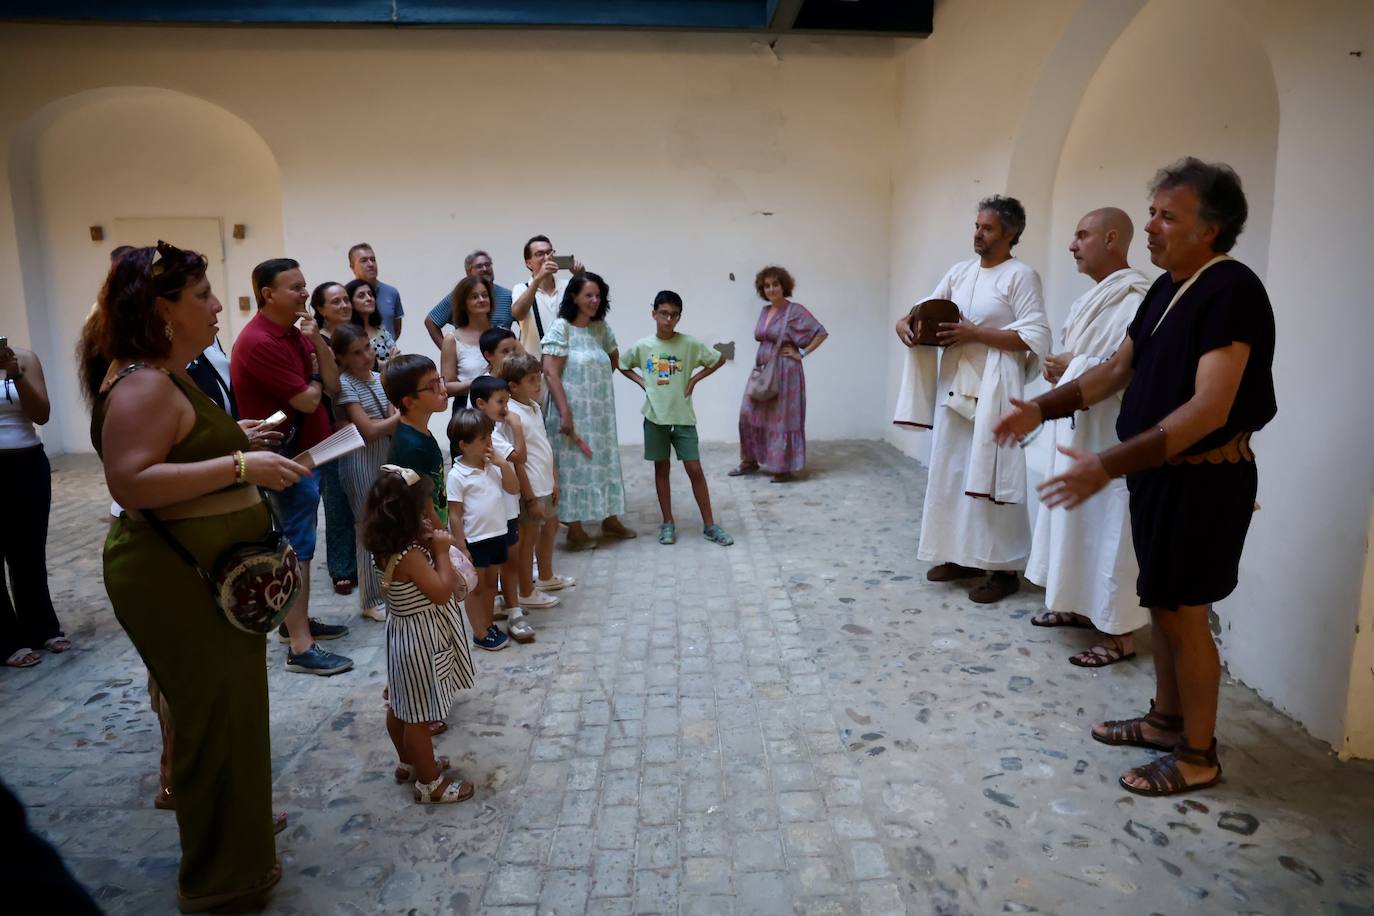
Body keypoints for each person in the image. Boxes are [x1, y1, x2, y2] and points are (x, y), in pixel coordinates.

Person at [994, 158, 1276, 797]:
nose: (1150, 226)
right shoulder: (1165, 288)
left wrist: (1105, 464)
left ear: (1212, 229)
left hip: (1205, 480)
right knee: (1163, 606)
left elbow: (1211, 407)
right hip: (1158, 477)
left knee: (1187, 615)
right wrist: (1039, 407)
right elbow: (1116, 372)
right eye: (1152, 212)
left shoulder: (1230, 290)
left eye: (1167, 216)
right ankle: (1164, 721)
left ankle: (1198, 755)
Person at [89, 241, 309, 911]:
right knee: (212, 717)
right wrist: (242, 467)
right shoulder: (143, 382)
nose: (218, 305)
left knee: (231, 712)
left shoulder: (169, 373)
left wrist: (234, 438)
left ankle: (238, 834)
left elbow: (180, 444)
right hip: (177, 577)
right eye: (203, 295)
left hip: (211, 574)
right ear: (163, 308)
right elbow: (130, 479)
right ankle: (220, 878)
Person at [893, 196, 1050, 603]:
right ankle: (960, 556)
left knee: (993, 475)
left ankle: (1003, 569)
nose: (978, 234)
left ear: (1011, 234)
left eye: (988, 228)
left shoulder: (1021, 276)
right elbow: (922, 310)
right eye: (977, 226)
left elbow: (1034, 335)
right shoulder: (960, 273)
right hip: (954, 386)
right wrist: (904, 323)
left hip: (996, 391)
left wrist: (976, 333)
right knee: (952, 471)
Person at [1026, 208, 1152, 667]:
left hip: (1110, 432)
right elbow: (1086, 356)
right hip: (1079, 426)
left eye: (1082, 236)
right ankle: (1078, 606)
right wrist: (1063, 366)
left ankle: (1119, 635)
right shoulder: (1095, 297)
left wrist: (1070, 366)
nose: (1072, 245)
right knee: (1075, 520)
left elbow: (1125, 369)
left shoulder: (1136, 297)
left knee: (1110, 529)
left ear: (1112, 239)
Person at [231, 257, 353, 676]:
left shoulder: (295, 333)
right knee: (297, 547)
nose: (305, 293)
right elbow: (309, 399)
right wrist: (317, 381)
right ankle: (300, 646)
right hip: (286, 459)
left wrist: (317, 342)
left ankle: (294, 623)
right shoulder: (261, 341)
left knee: (303, 541)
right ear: (268, 294)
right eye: (295, 287)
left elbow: (333, 384)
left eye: (305, 286)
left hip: (309, 453)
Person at [359, 465, 475, 804]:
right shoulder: (409, 556)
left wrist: (431, 530)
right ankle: (430, 783)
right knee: (420, 717)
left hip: (402, 636)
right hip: (421, 639)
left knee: (400, 706)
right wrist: (439, 551)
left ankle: (408, 762)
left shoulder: (384, 545)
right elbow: (441, 592)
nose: (430, 512)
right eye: (423, 506)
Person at [620, 290, 733, 546]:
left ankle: (709, 524)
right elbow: (622, 363)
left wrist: (694, 378)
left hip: (683, 417)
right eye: (663, 314)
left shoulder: (689, 345)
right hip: (655, 417)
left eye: (674, 315)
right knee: (662, 468)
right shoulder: (644, 346)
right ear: (654, 314)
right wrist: (642, 382)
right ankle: (667, 521)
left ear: (679, 317)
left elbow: (718, 359)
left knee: (695, 468)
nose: (668, 319)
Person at [541, 272, 634, 549]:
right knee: (574, 468)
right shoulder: (561, 329)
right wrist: (566, 412)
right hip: (570, 411)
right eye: (588, 295)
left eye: (598, 295)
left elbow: (612, 358)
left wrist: (596, 387)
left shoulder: (601, 328)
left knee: (604, 462)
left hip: (600, 413)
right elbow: (550, 372)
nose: (594, 301)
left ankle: (610, 518)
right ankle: (575, 528)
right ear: (573, 297)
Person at [0, 340, 66, 669]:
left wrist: (16, 375)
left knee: (28, 551)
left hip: (27, 464)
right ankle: (7, 639)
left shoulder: (23, 358)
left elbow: (43, 413)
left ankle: (42, 627)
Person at [731, 266, 828, 484]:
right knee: (748, 413)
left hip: (786, 371)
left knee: (782, 419)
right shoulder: (765, 311)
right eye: (767, 286)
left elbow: (821, 332)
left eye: (775, 284)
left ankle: (782, 468)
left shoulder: (795, 311)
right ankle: (750, 460)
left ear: (784, 286)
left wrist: (801, 352)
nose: (771, 289)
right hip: (763, 370)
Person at [332, 324, 402, 622]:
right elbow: (370, 430)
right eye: (356, 352)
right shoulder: (344, 384)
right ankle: (370, 598)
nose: (366, 355)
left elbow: (387, 419)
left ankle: (389, 589)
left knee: (387, 525)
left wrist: (394, 418)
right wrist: (400, 417)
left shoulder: (379, 378)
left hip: (383, 458)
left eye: (367, 347)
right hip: (359, 461)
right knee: (366, 527)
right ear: (343, 358)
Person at [500, 351, 575, 603]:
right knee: (527, 540)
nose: (538, 383)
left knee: (550, 527)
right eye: (531, 379)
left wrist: (554, 477)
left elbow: (543, 444)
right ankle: (526, 592)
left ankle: (546, 576)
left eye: (538, 377)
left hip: (545, 482)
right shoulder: (510, 415)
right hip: (530, 488)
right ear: (513, 386)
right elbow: (517, 460)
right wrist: (530, 497)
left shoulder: (533, 406)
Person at [447, 408, 521, 652]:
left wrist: (503, 465)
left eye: (490, 437)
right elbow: (455, 514)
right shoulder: (457, 476)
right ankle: (478, 631)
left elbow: (512, 488)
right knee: (475, 588)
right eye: (483, 440)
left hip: (497, 533)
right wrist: (461, 546)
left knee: (491, 583)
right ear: (464, 445)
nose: (490, 443)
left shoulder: (493, 466)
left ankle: (488, 624)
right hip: (475, 539)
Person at [469, 375, 535, 643]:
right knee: (499, 566)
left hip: (505, 509)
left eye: (507, 402)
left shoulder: (492, 428)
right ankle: (501, 617)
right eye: (501, 402)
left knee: (509, 561)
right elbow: (520, 456)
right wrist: (516, 426)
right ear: (481, 404)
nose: (506, 408)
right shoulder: (490, 434)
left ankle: (511, 609)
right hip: (493, 514)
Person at [311, 281, 359, 595]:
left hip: (359, 422)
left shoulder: (355, 333)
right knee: (336, 499)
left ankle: (365, 559)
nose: (344, 305)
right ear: (321, 310)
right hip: (330, 428)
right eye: (336, 302)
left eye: (346, 300)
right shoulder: (315, 341)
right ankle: (342, 568)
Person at [383, 353, 452, 527]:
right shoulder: (411, 447)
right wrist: (443, 536)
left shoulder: (420, 433)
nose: (444, 390)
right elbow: (423, 507)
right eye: (433, 387)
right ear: (409, 402)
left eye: (440, 381)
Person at [511, 235, 583, 358]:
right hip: (534, 367)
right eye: (540, 254)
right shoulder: (521, 288)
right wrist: (538, 279)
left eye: (550, 253)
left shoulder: (567, 286)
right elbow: (518, 314)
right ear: (528, 263)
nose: (547, 258)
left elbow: (586, 312)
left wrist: (581, 277)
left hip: (568, 363)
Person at [425, 249, 516, 346]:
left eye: (488, 264)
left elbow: (527, 322)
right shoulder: (459, 296)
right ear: (468, 272)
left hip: (501, 357)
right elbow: (431, 321)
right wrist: (447, 350)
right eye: (479, 266)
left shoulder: (509, 296)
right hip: (469, 356)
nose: (485, 269)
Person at [438, 276, 496, 410]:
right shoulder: (452, 340)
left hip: (502, 408)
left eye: (485, 295)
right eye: (474, 297)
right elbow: (447, 387)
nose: (481, 300)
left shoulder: (503, 335)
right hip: (468, 411)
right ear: (463, 304)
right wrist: (481, 382)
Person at [348, 242, 403, 338]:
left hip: (389, 350)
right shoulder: (345, 295)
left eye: (373, 260)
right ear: (352, 267)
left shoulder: (392, 292)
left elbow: (396, 330)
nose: (370, 264)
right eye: (364, 260)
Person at [347, 278, 400, 367]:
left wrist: (391, 363)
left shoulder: (381, 331)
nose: (369, 298)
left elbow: (397, 357)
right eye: (361, 296)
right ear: (351, 303)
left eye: (370, 294)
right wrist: (389, 364)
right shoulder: (348, 333)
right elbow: (360, 364)